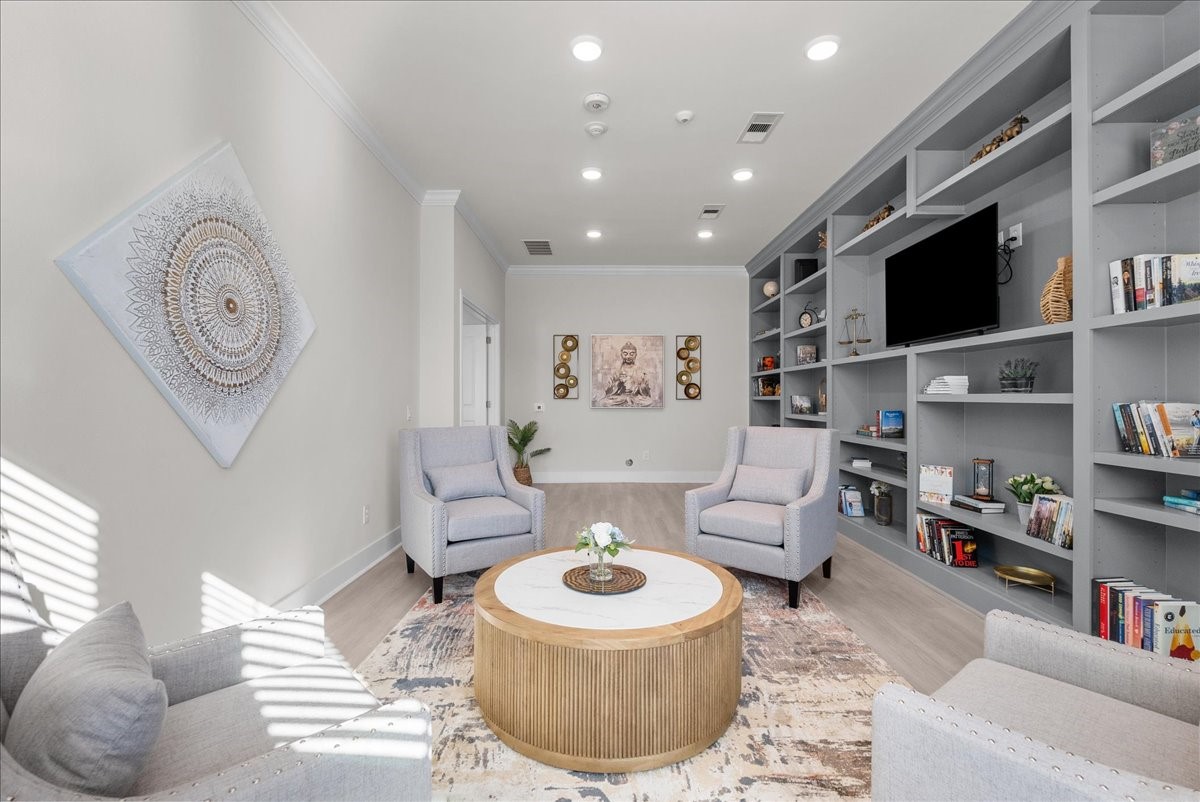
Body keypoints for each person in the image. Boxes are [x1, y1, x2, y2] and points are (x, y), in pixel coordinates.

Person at [600, 341, 652, 406]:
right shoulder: (616, 371)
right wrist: (618, 383)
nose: (628, 356)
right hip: (620, 398)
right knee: (604, 402)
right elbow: (608, 392)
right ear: (621, 354)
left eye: (631, 354)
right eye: (625, 354)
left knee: (649, 402)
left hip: (635, 398)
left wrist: (641, 384)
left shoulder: (641, 371)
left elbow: (646, 392)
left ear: (636, 354)